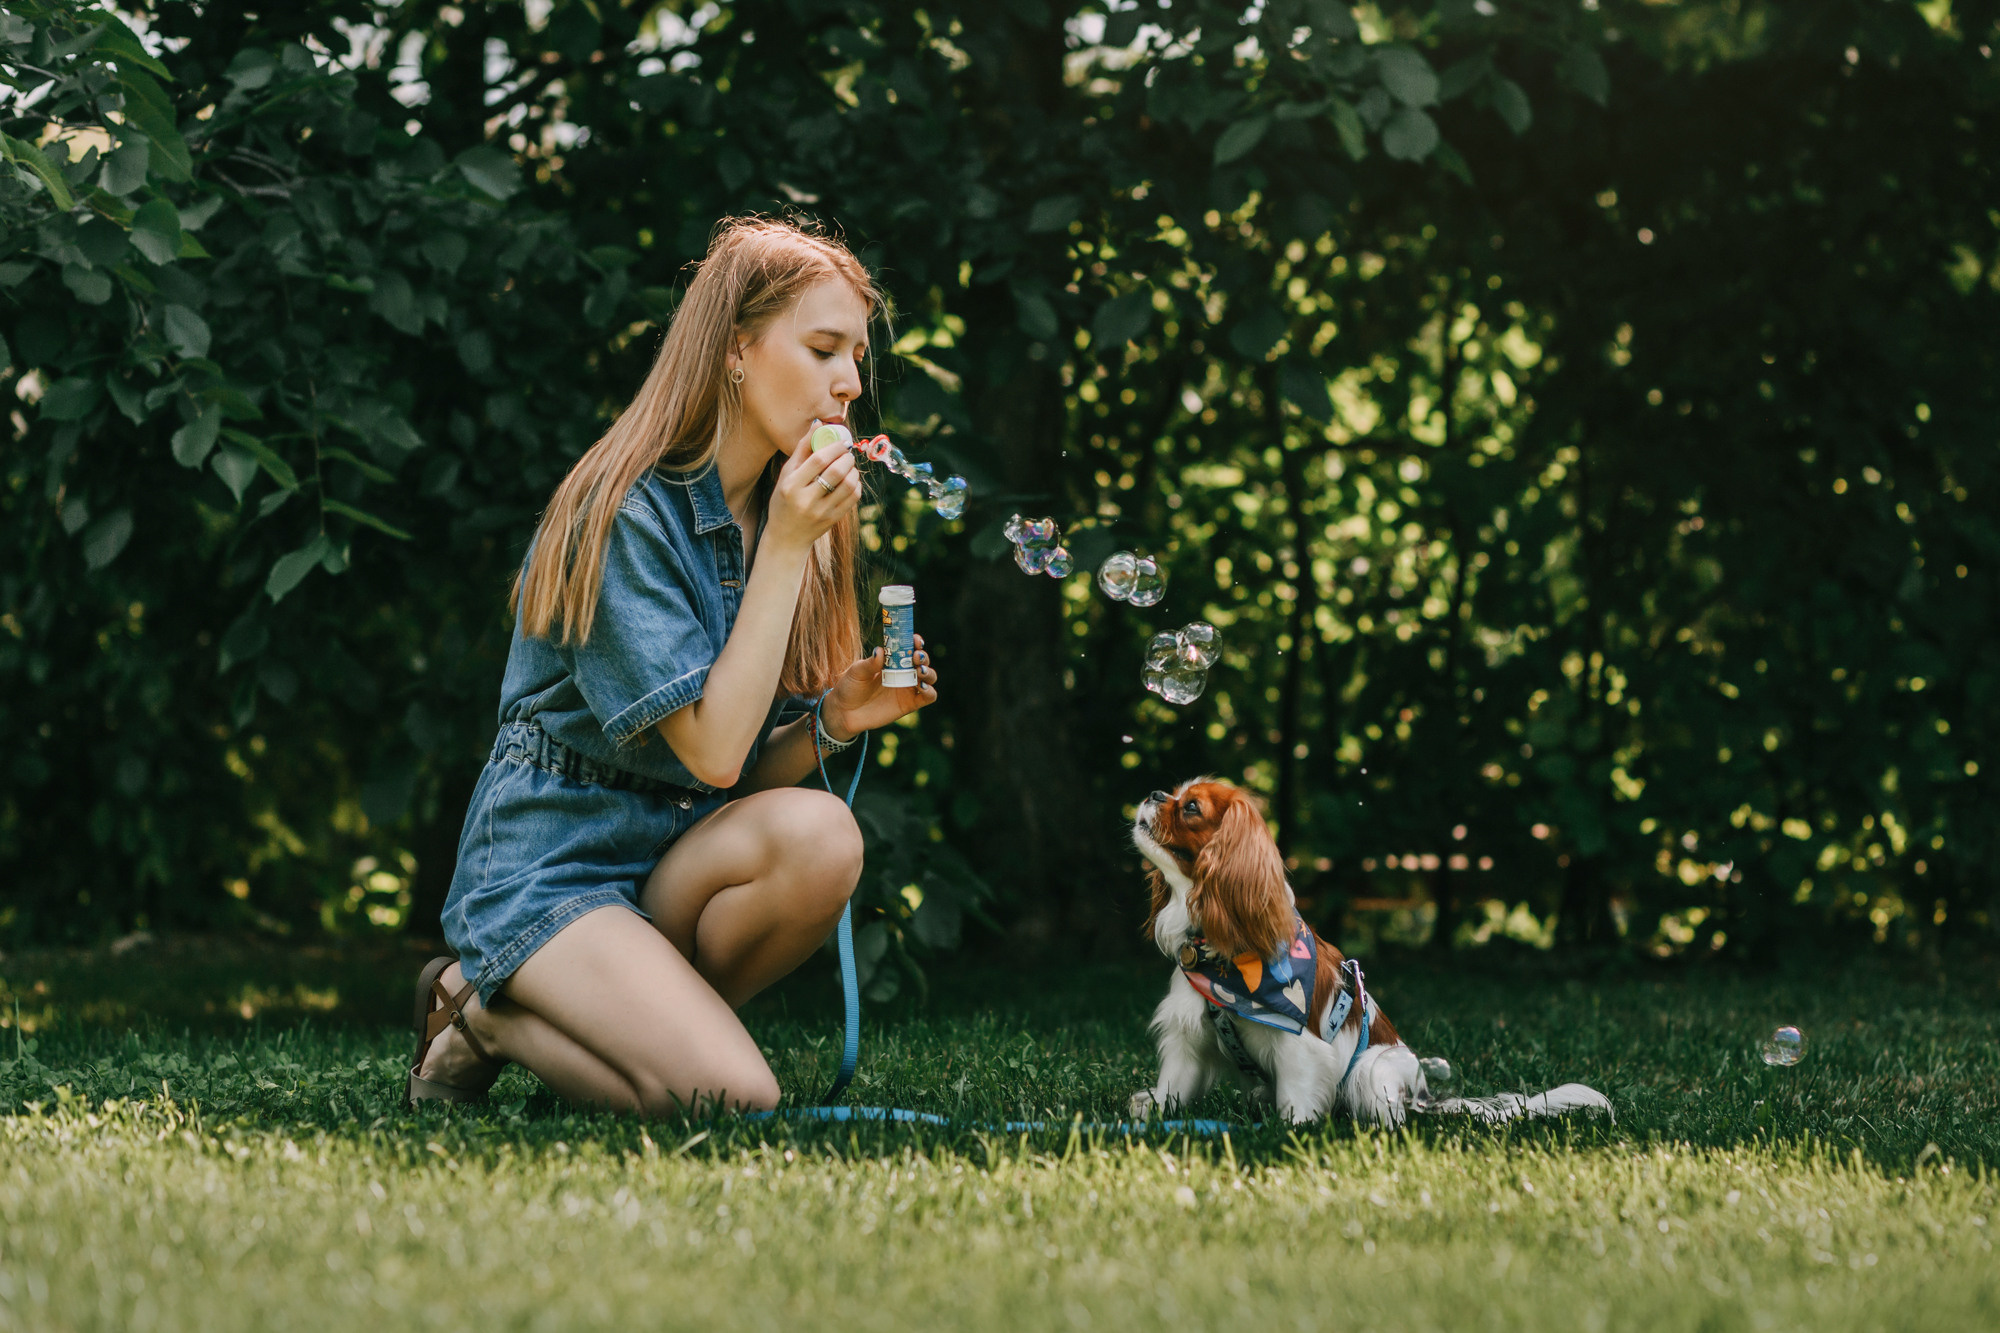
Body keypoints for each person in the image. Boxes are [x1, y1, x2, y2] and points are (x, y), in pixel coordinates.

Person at [405, 217, 937, 1114]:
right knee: (735, 1100)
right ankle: (480, 1009)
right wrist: (785, 553)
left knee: (823, 837)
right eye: (823, 349)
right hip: (553, 866)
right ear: (737, 350)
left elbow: (725, 776)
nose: (850, 383)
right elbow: (715, 755)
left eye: (855, 358)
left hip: (669, 859)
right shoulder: (621, 516)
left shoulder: (786, 515)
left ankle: (628, 1039)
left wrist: (833, 719)